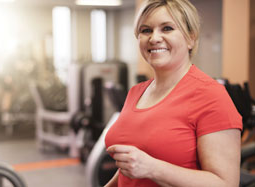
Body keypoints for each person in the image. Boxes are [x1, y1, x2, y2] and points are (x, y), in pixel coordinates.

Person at [104, 0, 243, 186]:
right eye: (146, 30)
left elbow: (225, 184)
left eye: (167, 28)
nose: (154, 38)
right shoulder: (136, 92)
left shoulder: (210, 95)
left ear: (191, 38)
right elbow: (129, 170)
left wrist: (153, 168)